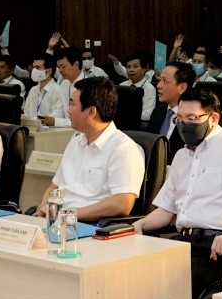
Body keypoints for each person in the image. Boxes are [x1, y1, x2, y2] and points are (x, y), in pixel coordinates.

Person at [128, 87, 222, 299]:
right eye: (180, 119)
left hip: (218, 247)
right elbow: (166, 209)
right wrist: (140, 224)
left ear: (213, 118)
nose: (185, 125)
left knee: (168, 285)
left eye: (192, 118)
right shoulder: (182, 156)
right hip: (183, 243)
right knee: (130, 274)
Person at [36, 77, 145, 222]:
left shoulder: (124, 149)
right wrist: (42, 211)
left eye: (73, 104)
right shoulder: (75, 142)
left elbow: (122, 204)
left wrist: (66, 215)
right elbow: (53, 188)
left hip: (89, 225)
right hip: (59, 221)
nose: (68, 110)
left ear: (91, 112)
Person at [147, 61, 196, 145]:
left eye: (165, 81)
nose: (158, 85)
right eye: (160, 80)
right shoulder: (158, 111)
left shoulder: (193, 118)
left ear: (182, 88)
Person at [112, 52, 156, 127]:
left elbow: (148, 114)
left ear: (144, 69)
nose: (131, 70)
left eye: (135, 67)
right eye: (128, 67)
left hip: (138, 125)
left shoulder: (150, 89)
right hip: (119, 122)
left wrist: (127, 115)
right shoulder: (122, 85)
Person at [22, 54, 67, 127]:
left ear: (48, 71)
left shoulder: (58, 90)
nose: (34, 70)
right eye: (33, 67)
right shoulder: (33, 90)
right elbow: (26, 112)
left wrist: (39, 121)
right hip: (31, 128)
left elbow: (58, 114)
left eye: (37, 67)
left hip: (49, 130)